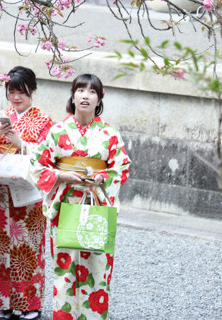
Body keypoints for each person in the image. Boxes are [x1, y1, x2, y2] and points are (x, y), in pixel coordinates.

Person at [30, 73, 131, 320]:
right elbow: (37, 164)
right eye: (81, 90)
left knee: (98, 267)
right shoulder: (57, 131)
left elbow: (122, 166)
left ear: (99, 100)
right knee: (65, 268)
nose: (86, 95)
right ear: (73, 97)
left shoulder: (110, 134)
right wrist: (63, 176)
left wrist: (102, 178)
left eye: (92, 91)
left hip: (96, 202)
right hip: (64, 204)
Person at [0, 66, 53, 320]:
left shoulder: (43, 120)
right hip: (1, 194)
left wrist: (22, 144)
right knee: (2, 246)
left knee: (29, 246)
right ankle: (3, 302)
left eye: (22, 92)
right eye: (12, 92)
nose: (16, 98)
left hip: (29, 192)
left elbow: (49, 156)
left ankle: (30, 303)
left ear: (32, 91)